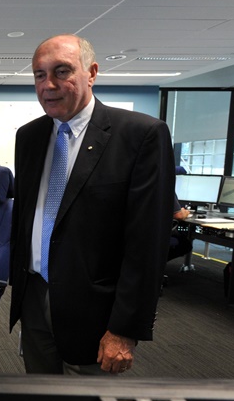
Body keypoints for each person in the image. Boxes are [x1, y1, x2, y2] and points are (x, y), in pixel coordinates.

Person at [9, 34, 175, 376]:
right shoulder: (29, 137)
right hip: (35, 297)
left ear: (91, 72)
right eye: (40, 75)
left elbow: (147, 245)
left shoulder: (141, 135)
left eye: (62, 71)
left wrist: (125, 330)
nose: (48, 85)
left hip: (96, 313)